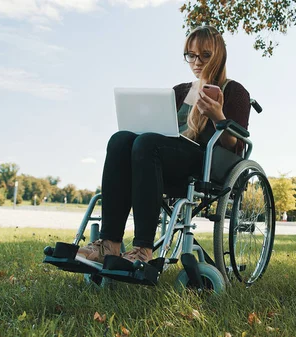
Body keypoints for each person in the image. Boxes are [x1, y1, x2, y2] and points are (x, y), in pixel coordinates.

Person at [77, 26, 251, 264]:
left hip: (205, 161)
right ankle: (109, 245)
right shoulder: (180, 91)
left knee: (147, 144)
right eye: (191, 55)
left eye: (205, 55)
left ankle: (142, 250)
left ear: (219, 55)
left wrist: (218, 116)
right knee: (120, 140)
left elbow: (235, 146)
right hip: (159, 157)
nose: (196, 62)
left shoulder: (234, 91)